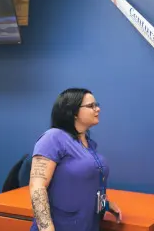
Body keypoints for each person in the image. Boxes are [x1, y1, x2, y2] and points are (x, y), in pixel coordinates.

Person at [29, 88, 122, 231]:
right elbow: (37, 187)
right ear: (73, 112)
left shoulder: (88, 144)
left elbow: (84, 185)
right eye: (91, 106)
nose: (98, 109)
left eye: (97, 105)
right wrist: (46, 228)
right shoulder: (53, 138)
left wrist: (106, 204)